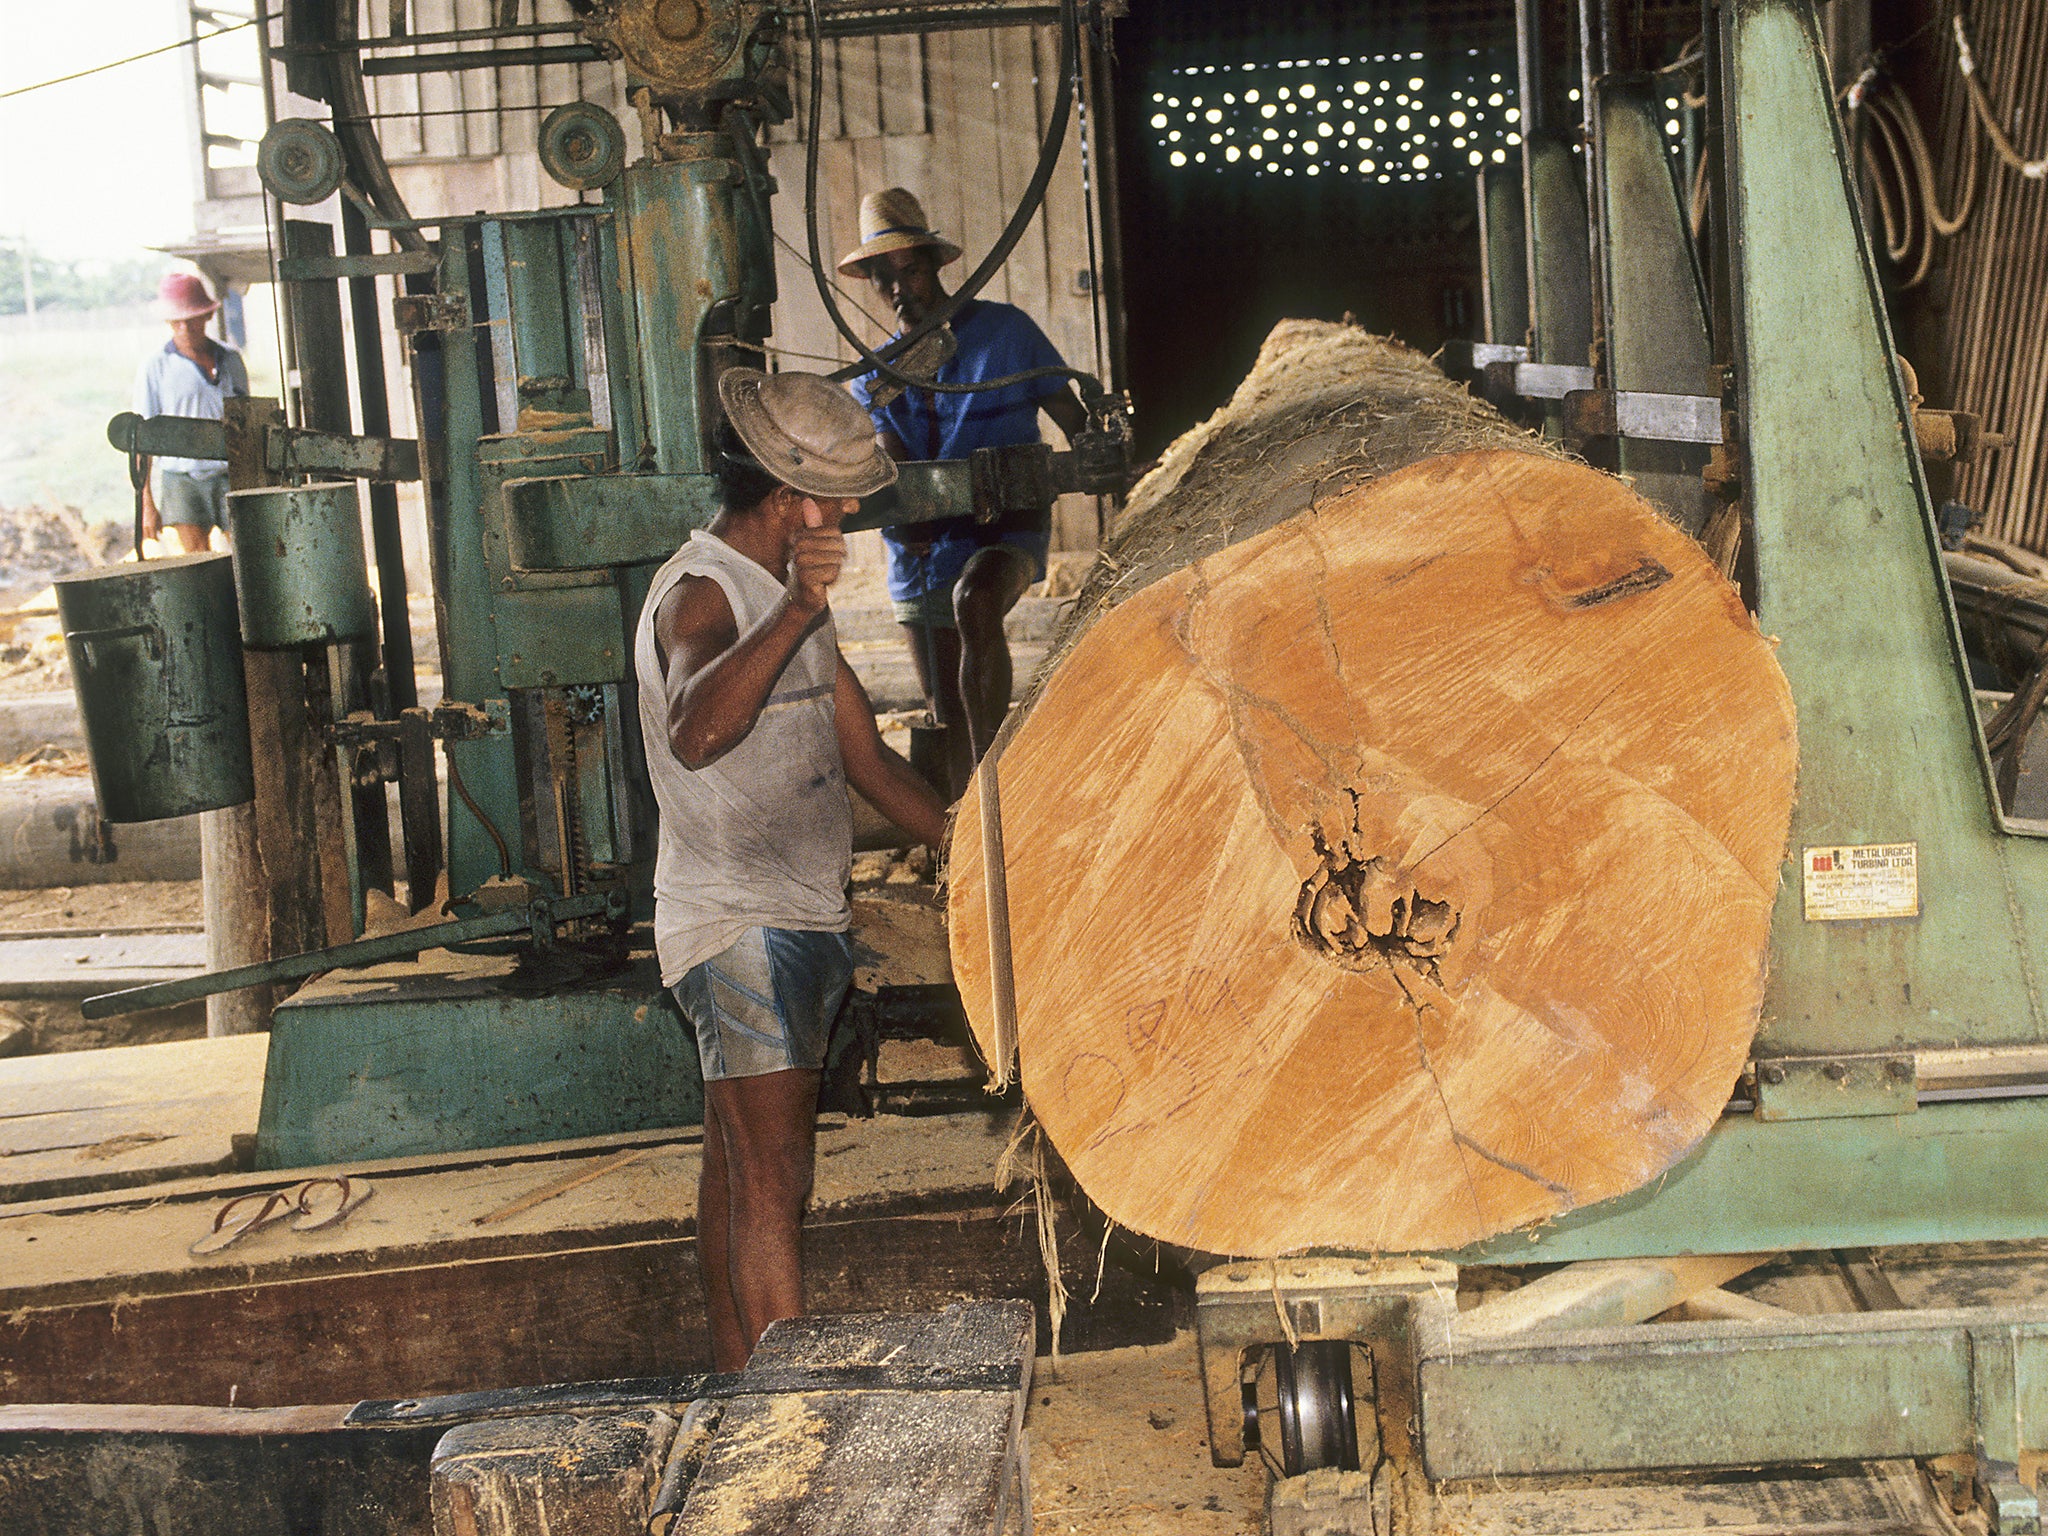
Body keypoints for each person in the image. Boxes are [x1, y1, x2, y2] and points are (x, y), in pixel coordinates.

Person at [634, 367, 950, 1369]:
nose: (852, 512)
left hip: (794, 921)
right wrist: (796, 611)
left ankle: (736, 1396)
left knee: (737, 1177)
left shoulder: (784, 608)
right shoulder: (703, 595)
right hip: (739, 931)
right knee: (776, 1184)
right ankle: (786, 1441)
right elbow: (694, 731)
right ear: (790, 499)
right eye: (841, 496)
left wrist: (977, 842)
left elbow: (867, 764)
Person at [841, 188, 1090, 797]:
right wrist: (902, 505)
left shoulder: (1006, 332)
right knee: (943, 707)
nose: (900, 289)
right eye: (884, 278)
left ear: (936, 267)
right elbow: (885, 455)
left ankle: (991, 788)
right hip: (922, 547)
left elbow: (1070, 412)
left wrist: (1093, 457)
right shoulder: (875, 372)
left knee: (976, 604)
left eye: (911, 271)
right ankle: (961, 832)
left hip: (1003, 527)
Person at [132, 272, 249, 555]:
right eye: (176, 320)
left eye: (191, 318)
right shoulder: (156, 366)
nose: (184, 327)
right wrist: (146, 503)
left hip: (231, 473)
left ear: (206, 316)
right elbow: (141, 439)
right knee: (198, 559)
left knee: (248, 555)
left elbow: (249, 421)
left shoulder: (230, 359)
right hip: (182, 479)